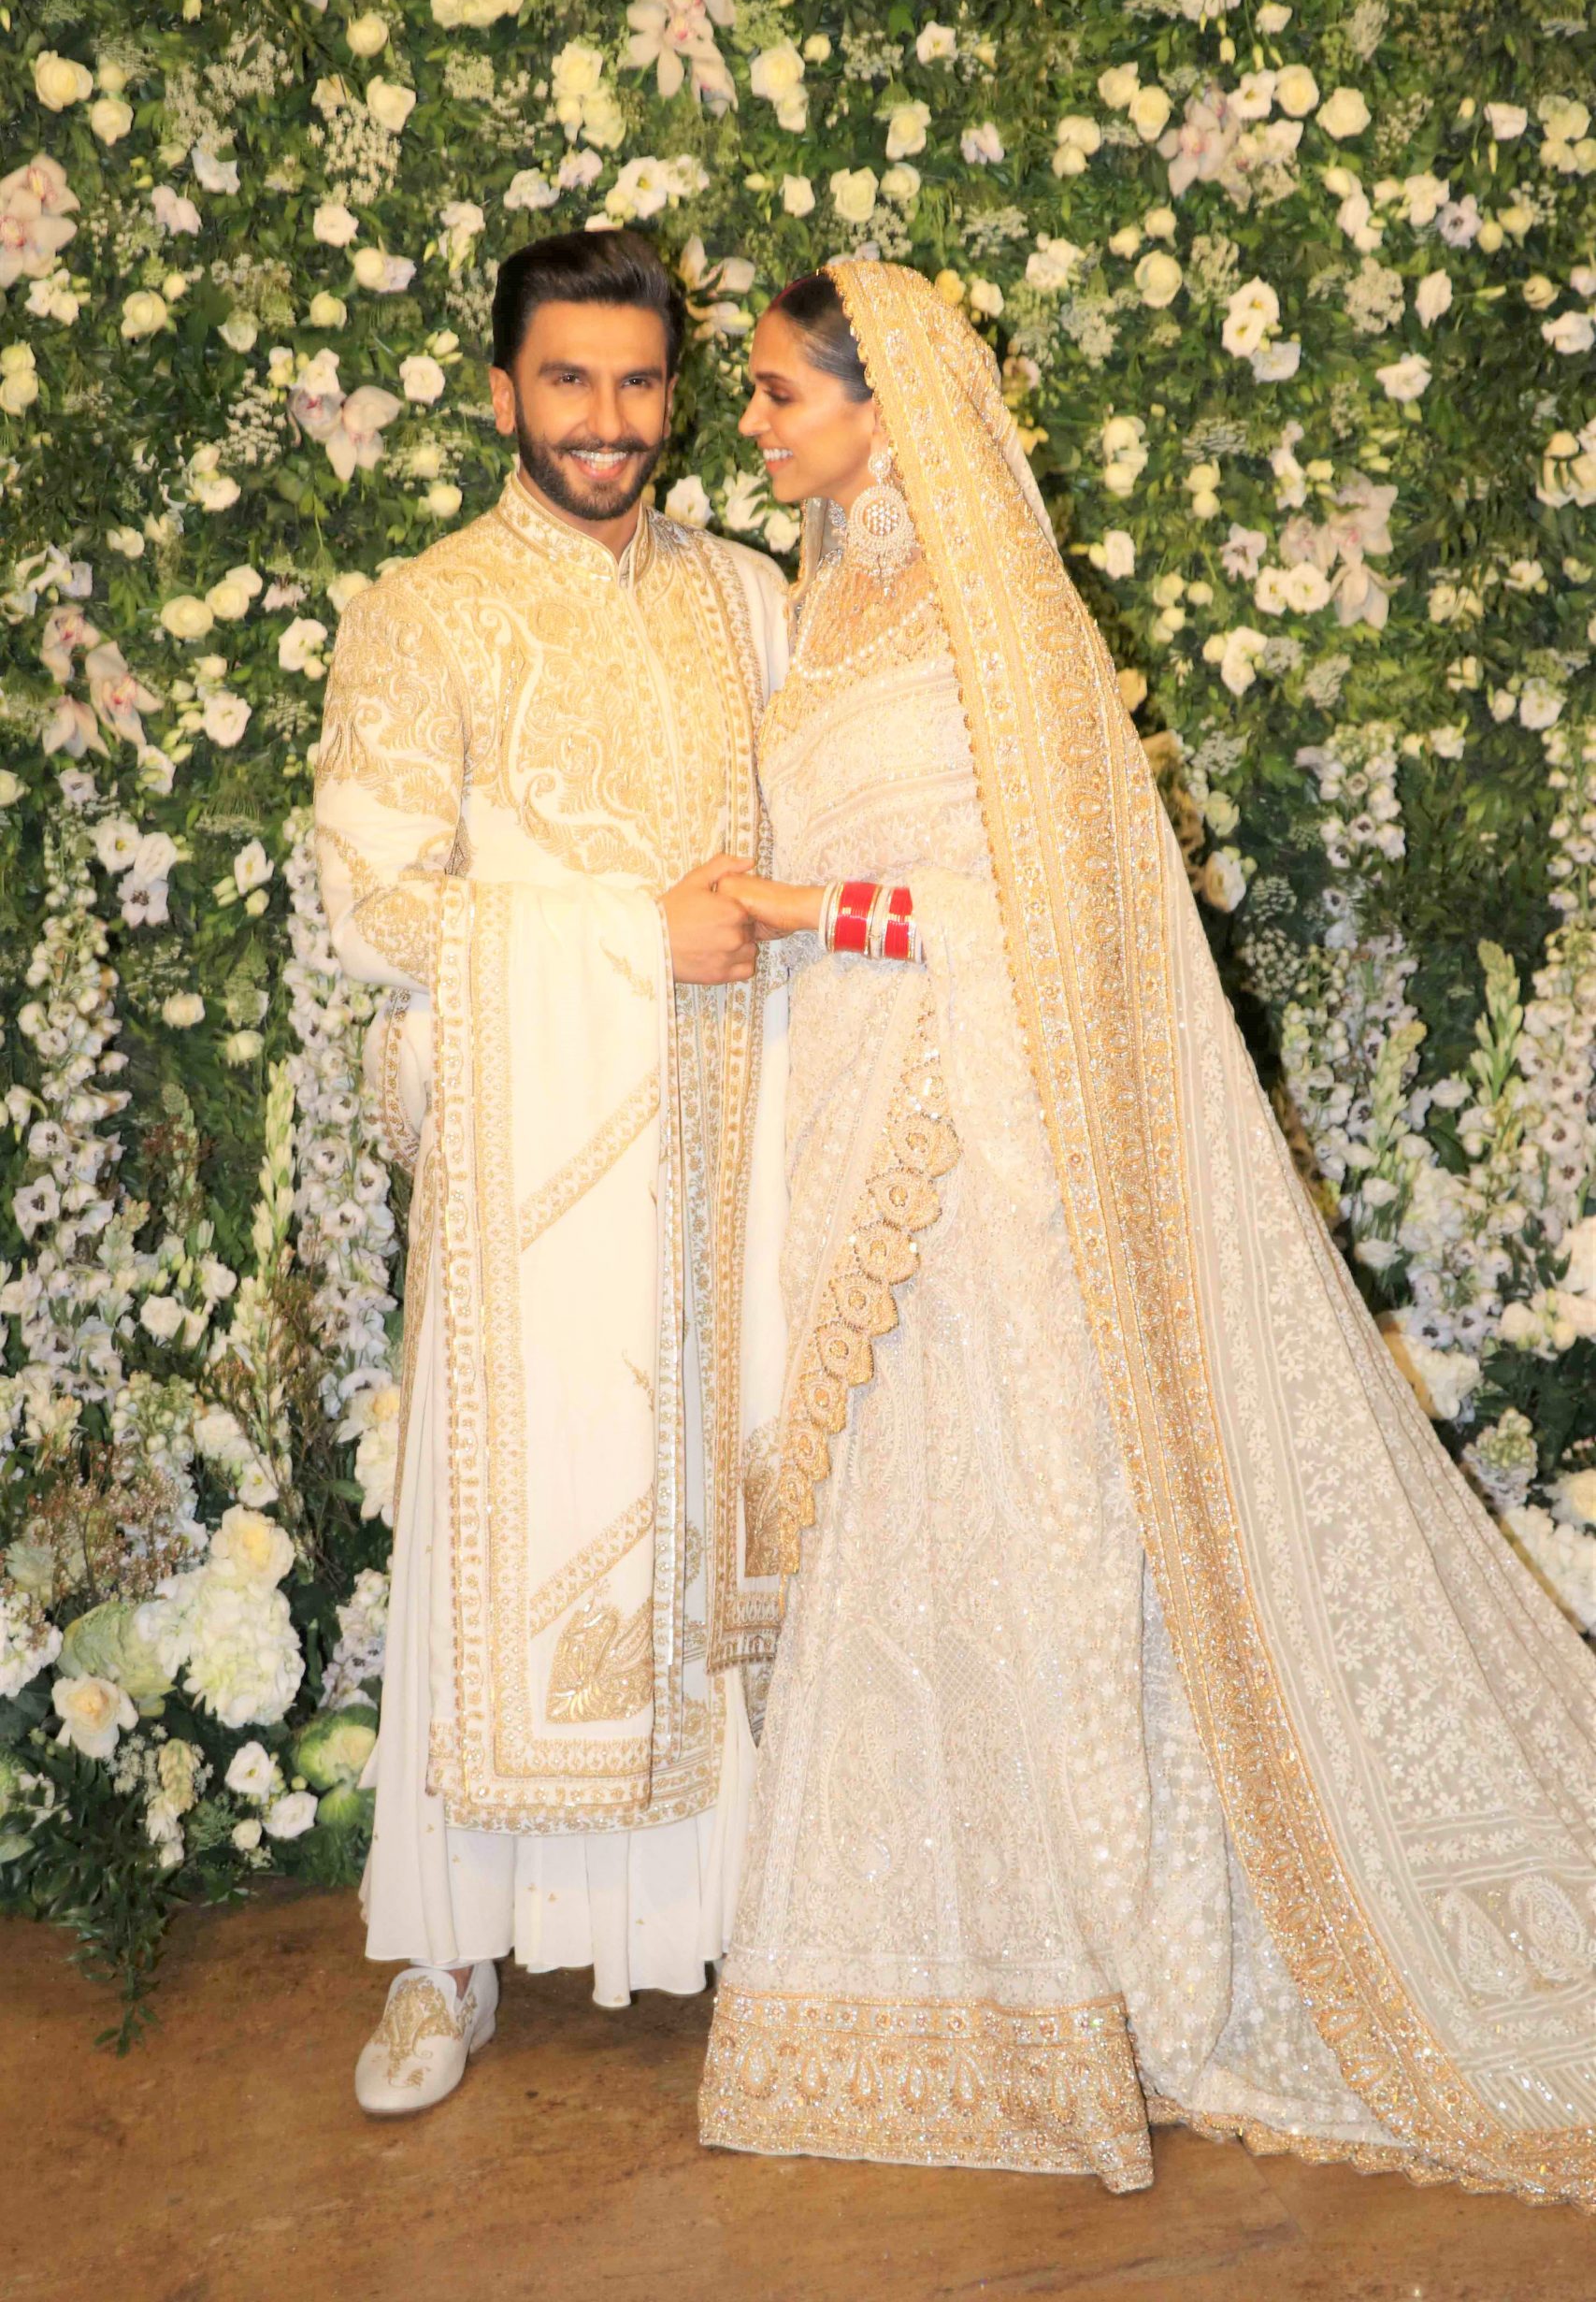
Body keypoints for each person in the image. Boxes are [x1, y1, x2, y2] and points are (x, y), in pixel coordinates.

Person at [697, 259, 1596, 2208]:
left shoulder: (995, 629)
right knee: (903, 1528)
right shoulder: (825, 607)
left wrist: (788, 909)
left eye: (779, 395)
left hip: (986, 1142)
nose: (752, 427)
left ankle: (1115, 1960)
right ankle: (944, 1967)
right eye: (754, 397)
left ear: (883, 406)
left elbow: (1018, 915)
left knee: (1041, 1521)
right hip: (850, 1116)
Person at [314, 229, 790, 2116]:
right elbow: (369, 899)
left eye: (640, 382)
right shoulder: (418, 611)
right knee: (494, 1527)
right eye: (570, 381)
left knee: (725, 1513)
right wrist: (623, 939)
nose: (609, 422)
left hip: (731, 1141)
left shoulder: (750, 599)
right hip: (534, 1169)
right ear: (500, 388)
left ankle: (728, 1920)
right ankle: (440, 1948)